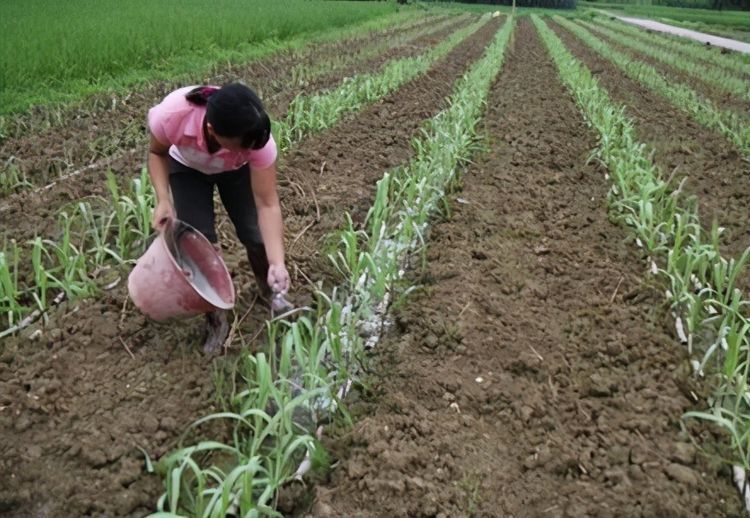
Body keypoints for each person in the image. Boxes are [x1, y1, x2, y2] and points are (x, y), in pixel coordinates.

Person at [147, 82, 292, 352]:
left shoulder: (255, 142)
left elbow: (267, 203)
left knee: (255, 233)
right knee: (199, 245)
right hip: (187, 169)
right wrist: (163, 199)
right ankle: (215, 319)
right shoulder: (172, 115)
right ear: (212, 131)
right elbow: (157, 152)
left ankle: (270, 292)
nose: (246, 151)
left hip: (235, 173)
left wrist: (278, 262)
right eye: (239, 147)